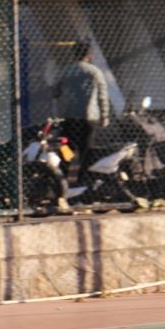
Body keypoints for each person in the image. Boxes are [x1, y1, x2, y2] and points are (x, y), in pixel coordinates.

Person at [53, 39, 109, 211]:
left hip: (69, 117)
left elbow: (55, 92)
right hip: (88, 118)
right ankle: (80, 187)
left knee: (67, 150)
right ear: (89, 54)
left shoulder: (65, 71)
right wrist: (104, 116)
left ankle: (61, 184)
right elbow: (102, 96)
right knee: (86, 152)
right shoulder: (95, 72)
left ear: (74, 53)